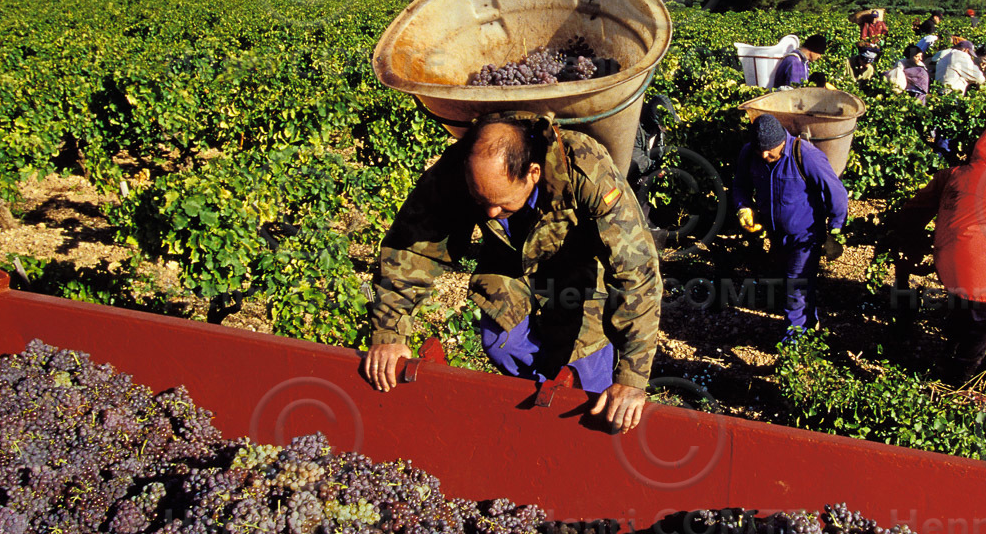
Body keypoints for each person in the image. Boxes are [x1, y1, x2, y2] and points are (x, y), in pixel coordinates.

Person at [362, 113, 661, 432]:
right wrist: (390, 331)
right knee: (502, 343)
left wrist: (632, 378)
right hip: (509, 265)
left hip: (582, 272)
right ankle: (537, 422)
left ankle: (573, 436)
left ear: (533, 173)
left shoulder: (586, 168)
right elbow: (413, 248)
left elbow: (637, 272)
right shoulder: (455, 171)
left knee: (586, 379)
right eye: (481, 201)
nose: (490, 212)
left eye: (501, 204)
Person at [885, 122, 986, 383]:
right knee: (982, 324)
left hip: (947, 258)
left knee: (962, 306)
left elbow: (916, 209)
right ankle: (958, 380)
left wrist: (903, 236)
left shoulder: (949, 175)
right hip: (981, 265)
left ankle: (947, 355)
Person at [733, 114, 848, 336]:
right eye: (760, 150)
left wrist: (835, 232)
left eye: (769, 150)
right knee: (792, 283)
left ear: (782, 141)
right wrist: (743, 207)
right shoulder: (750, 153)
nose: (764, 155)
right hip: (776, 235)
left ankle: (794, 343)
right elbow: (740, 185)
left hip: (805, 236)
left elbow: (837, 194)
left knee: (796, 287)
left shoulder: (805, 155)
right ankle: (809, 326)